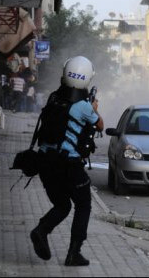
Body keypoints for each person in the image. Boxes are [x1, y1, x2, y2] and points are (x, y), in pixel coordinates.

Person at [30, 56, 104, 266]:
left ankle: (41, 230)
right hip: (68, 165)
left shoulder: (54, 98)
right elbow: (99, 125)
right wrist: (95, 107)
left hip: (44, 162)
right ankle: (74, 253)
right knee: (83, 204)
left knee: (62, 204)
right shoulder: (83, 106)